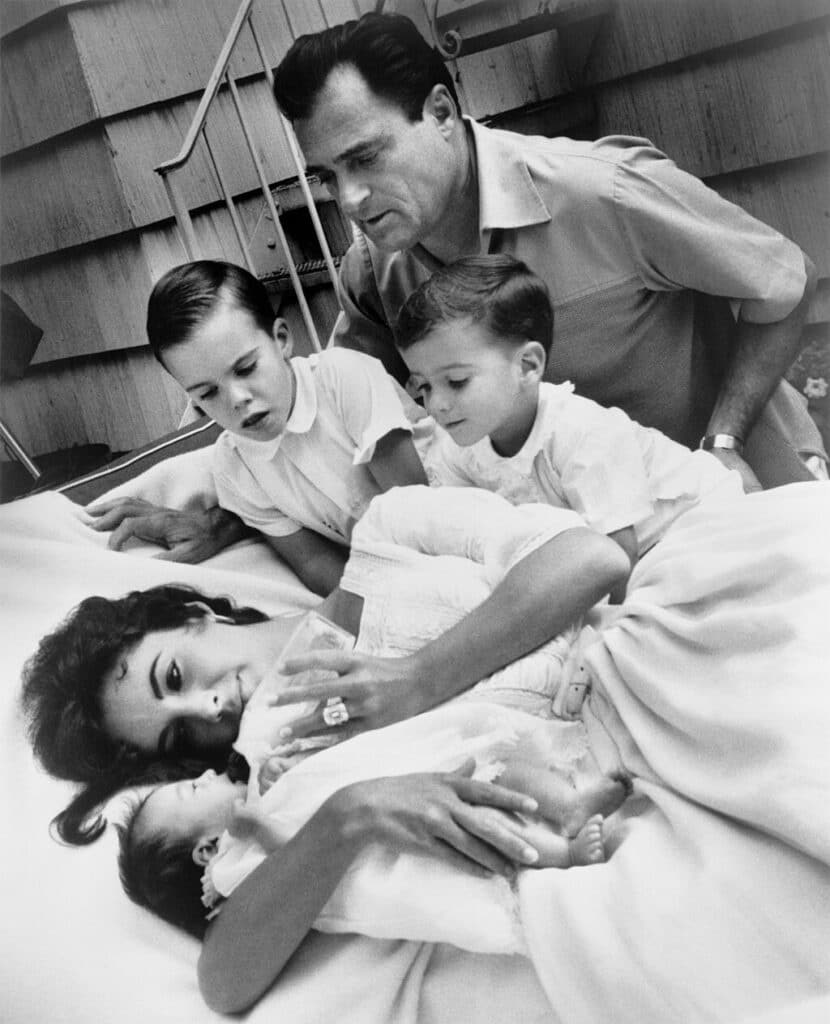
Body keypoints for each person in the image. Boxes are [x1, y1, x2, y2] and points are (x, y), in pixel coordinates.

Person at [87, 11, 824, 562]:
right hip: (568, 537)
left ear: (441, 112)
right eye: (326, 176)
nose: (347, 199)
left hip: (717, 487)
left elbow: (782, 285)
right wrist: (231, 520)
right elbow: (319, 416)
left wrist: (724, 439)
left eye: (366, 158)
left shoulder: (605, 193)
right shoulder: (377, 268)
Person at [22, 486, 626, 846]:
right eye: (180, 730)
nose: (209, 706)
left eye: (174, 677)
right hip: (614, 783)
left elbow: (593, 559)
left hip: (645, 654)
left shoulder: (387, 535)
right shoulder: (297, 771)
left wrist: (417, 679)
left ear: (194, 616)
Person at [117, 698, 630, 952]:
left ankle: (569, 805)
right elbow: (294, 848)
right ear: (205, 851)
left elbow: (311, 789)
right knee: (479, 832)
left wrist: (278, 778)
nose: (206, 773)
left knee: (486, 767)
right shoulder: (234, 873)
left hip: (396, 793)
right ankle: (562, 857)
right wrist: (255, 823)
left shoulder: (254, 805)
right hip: (386, 858)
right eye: (191, 790)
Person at [395, 253, 747, 592]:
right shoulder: (460, 443)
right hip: (617, 556)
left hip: (698, 524)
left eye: (456, 381)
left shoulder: (581, 432)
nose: (436, 405)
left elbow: (618, 559)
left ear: (528, 366)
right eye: (423, 386)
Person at [88, 259, 428, 587]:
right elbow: (314, 564)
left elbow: (416, 509)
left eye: (246, 368)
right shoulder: (234, 465)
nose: (236, 398)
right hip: (387, 573)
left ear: (281, 340)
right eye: (207, 393)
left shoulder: (344, 377)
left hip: (448, 521)